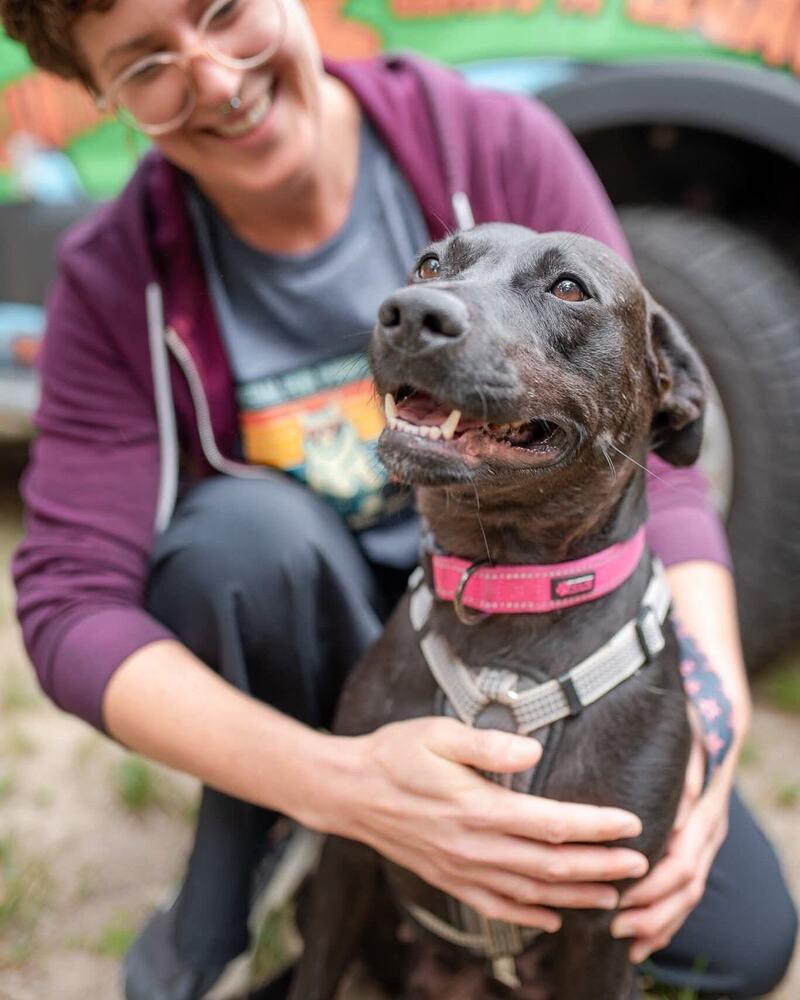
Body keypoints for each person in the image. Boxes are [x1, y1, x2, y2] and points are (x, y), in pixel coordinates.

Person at [2, 1, 796, 997]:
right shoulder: (111, 273)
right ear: (102, 93)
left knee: (736, 940)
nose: (211, 73)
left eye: (221, 11)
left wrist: (711, 704)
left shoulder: (493, 139)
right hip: (324, 644)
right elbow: (69, 601)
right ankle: (276, 829)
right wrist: (341, 785)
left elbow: (641, 414)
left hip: (551, 613)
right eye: (147, 60)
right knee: (238, 537)